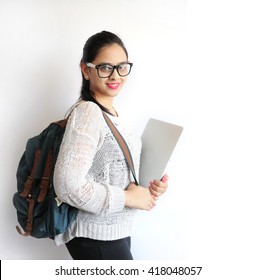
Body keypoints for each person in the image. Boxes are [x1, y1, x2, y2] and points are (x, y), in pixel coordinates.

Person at [53, 31, 169, 260]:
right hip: (95, 238)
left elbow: (111, 174)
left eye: (122, 66)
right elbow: (67, 185)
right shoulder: (88, 113)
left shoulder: (109, 114)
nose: (116, 75)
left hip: (112, 234)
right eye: (105, 67)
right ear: (86, 70)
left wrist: (147, 188)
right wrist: (128, 198)